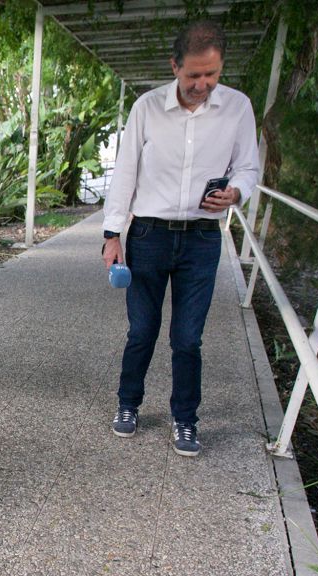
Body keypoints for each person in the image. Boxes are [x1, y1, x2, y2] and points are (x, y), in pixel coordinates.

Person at [102, 20, 259, 456]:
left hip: (202, 239)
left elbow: (248, 167)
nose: (202, 84)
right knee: (142, 331)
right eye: (193, 75)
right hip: (148, 235)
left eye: (211, 75)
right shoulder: (147, 108)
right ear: (175, 66)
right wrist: (112, 234)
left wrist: (235, 193)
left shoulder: (237, 108)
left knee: (188, 338)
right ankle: (128, 404)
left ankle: (185, 419)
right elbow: (125, 174)